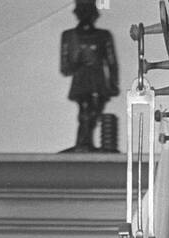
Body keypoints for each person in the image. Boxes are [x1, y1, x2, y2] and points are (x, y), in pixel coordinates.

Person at [59, 0, 119, 152]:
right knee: (86, 112)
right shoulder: (69, 36)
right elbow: (65, 68)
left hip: (98, 81)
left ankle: (84, 144)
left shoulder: (103, 36)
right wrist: (78, 62)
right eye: (82, 11)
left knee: (92, 114)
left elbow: (111, 63)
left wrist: (113, 83)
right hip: (81, 81)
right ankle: (83, 144)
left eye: (88, 11)